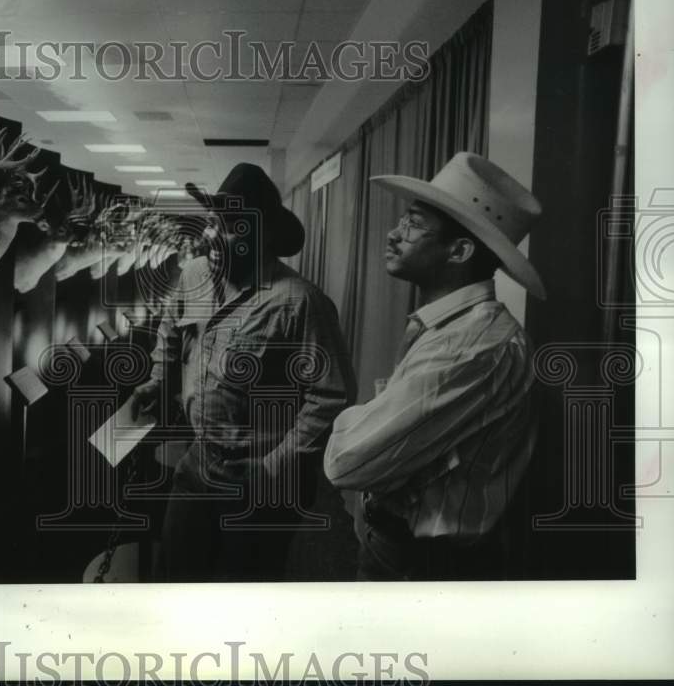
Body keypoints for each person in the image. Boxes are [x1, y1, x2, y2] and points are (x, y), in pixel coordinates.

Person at [324, 152, 545, 581]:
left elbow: (345, 462)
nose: (393, 234)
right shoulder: (454, 329)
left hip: (424, 564)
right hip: (407, 550)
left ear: (459, 250)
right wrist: (373, 417)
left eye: (413, 225)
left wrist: (362, 418)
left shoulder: (469, 346)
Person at [129, 163, 356, 582]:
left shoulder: (300, 303)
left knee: (243, 591)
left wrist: (274, 466)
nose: (215, 235)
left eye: (233, 226)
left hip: (257, 479)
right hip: (197, 463)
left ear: (264, 235)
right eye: (215, 222)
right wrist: (159, 379)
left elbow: (331, 397)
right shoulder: (195, 274)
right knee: (174, 577)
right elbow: (170, 329)